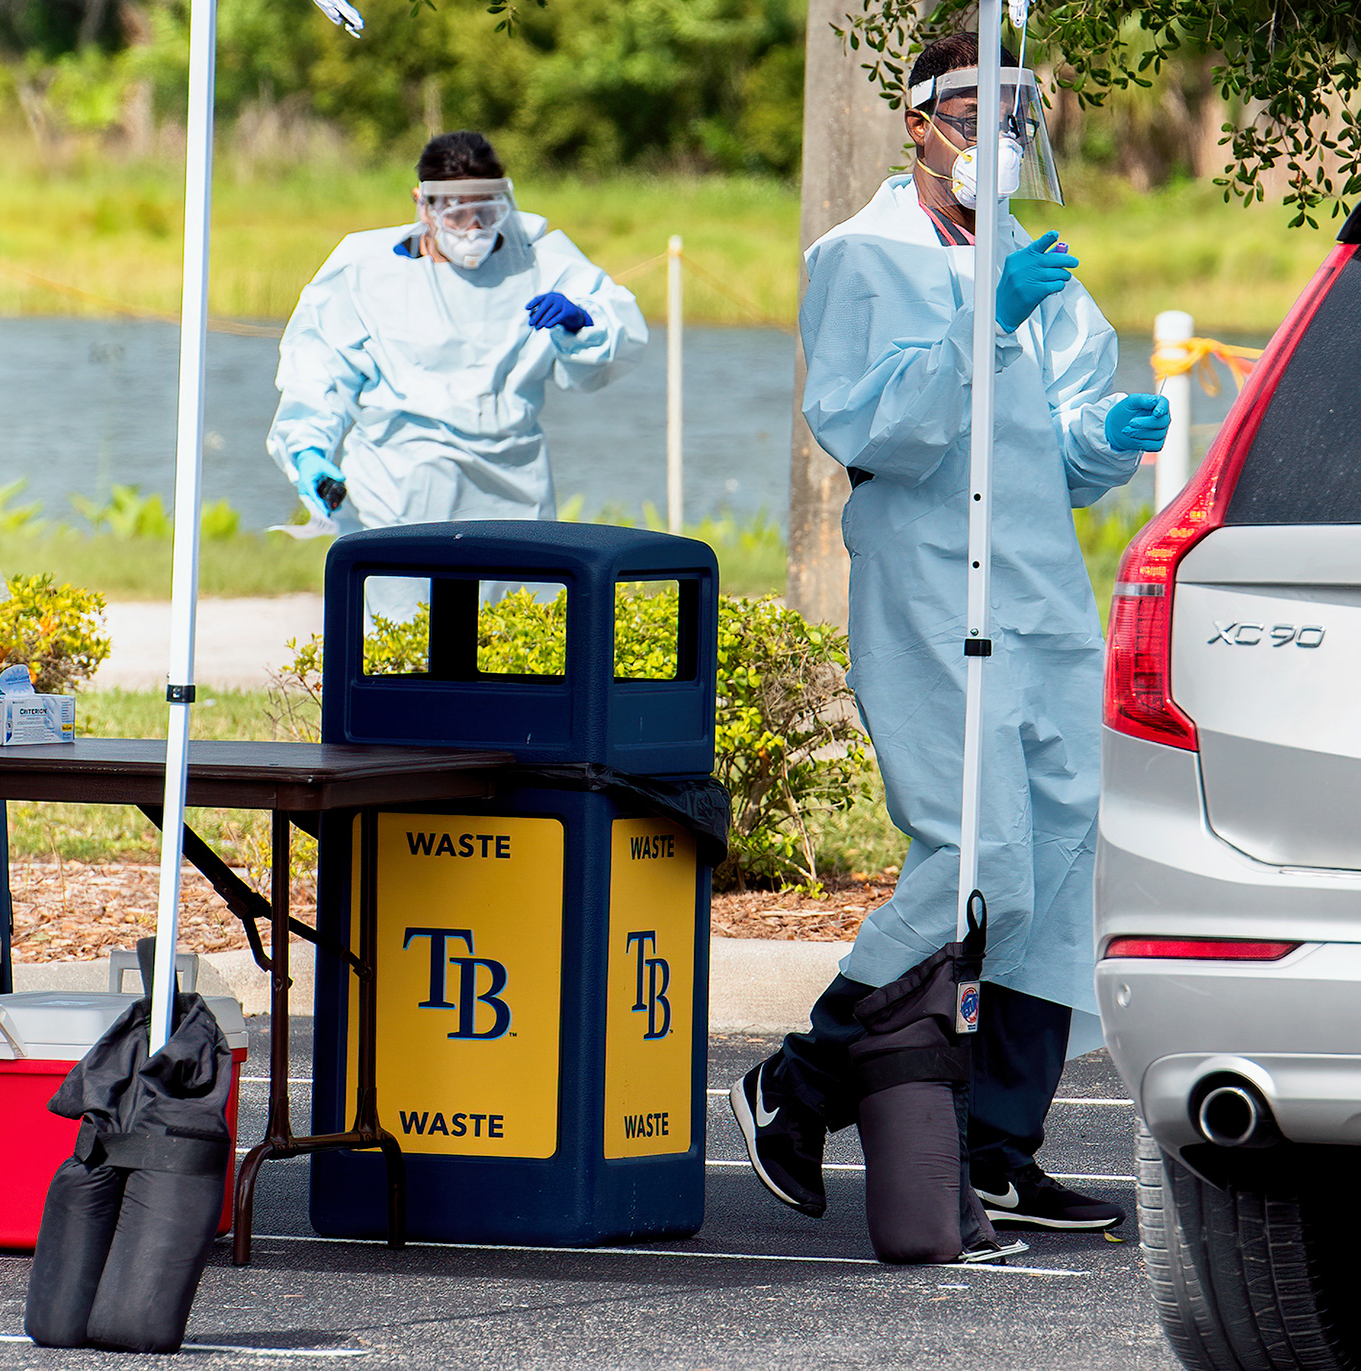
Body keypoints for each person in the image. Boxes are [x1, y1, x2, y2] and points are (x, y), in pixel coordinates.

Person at [728, 35, 1169, 1237]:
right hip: (930, 586)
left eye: (1017, 112)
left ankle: (997, 1144)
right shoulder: (861, 258)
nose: (997, 135)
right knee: (974, 858)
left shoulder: (1038, 265)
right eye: (972, 111)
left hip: (1041, 594)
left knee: (1065, 861)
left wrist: (1115, 440)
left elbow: (1057, 456)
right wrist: (982, 319)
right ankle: (801, 1078)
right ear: (917, 123)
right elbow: (872, 428)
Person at [268, 130, 646, 541]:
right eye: (456, 213)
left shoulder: (539, 264)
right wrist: (307, 449)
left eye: (487, 210)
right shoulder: (367, 272)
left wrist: (582, 321)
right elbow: (318, 367)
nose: (473, 228)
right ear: (423, 204)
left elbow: (620, 325)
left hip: (512, 484)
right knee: (400, 603)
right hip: (399, 487)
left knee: (517, 600)